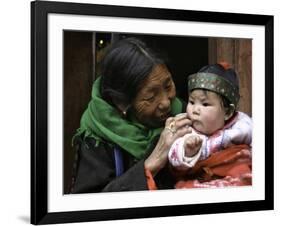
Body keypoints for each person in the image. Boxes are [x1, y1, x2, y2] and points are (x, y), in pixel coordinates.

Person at [70, 37, 191, 193]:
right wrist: (151, 164)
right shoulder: (97, 139)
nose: (166, 102)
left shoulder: (186, 114)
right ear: (122, 103)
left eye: (168, 86)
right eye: (150, 97)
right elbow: (89, 207)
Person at [168, 63, 252, 188]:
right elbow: (174, 159)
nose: (195, 109)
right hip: (200, 181)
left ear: (228, 112)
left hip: (235, 175)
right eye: (191, 102)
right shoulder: (186, 129)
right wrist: (187, 151)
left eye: (205, 104)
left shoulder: (243, 126)